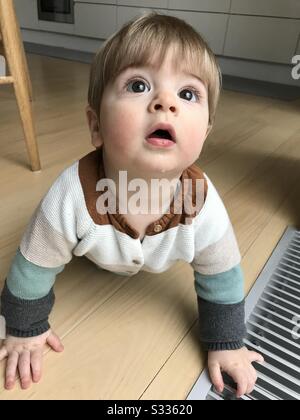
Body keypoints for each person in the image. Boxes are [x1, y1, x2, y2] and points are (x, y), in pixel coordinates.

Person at [0, 12, 263, 396]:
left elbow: (221, 275)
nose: (165, 103)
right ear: (96, 127)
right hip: (90, 255)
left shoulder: (201, 201)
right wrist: (24, 329)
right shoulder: (73, 195)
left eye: (188, 94)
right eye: (138, 85)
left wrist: (227, 341)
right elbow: (32, 265)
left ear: (204, 134)